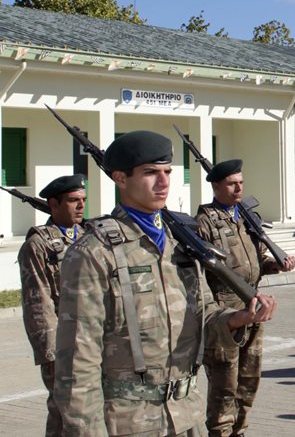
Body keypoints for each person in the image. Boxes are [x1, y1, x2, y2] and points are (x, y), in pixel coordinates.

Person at [54, 130, 276, 436]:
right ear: (120, 178)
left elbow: (205, 314)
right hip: (128, 423)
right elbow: (78, 362)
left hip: (187, 416)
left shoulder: (180, 243)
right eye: (150, 173)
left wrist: (238, 319)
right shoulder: (95, 253)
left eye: (167, 172)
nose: (163, 182)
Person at [196, 159, 295, 437]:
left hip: (254, 305)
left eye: (241, 182)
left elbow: (254, 260)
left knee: (248, 380)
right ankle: (221, 432)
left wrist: (274, 264)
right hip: (225, 311)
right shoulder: (204, 222)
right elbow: (203, 270)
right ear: (216, 186)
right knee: (224, 383)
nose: (239, 187)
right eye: (232, 183)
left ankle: (240, 430)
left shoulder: (244, 217)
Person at [18, 174, 86, 436]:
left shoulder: (90, 235)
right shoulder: (39, 245)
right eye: (73, 201)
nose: (81, 206)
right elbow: (38, 301)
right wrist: (50, 354)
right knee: (65, 409)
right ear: (53, 204)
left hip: (93, 339)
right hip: (63, 342)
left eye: (83, 200)